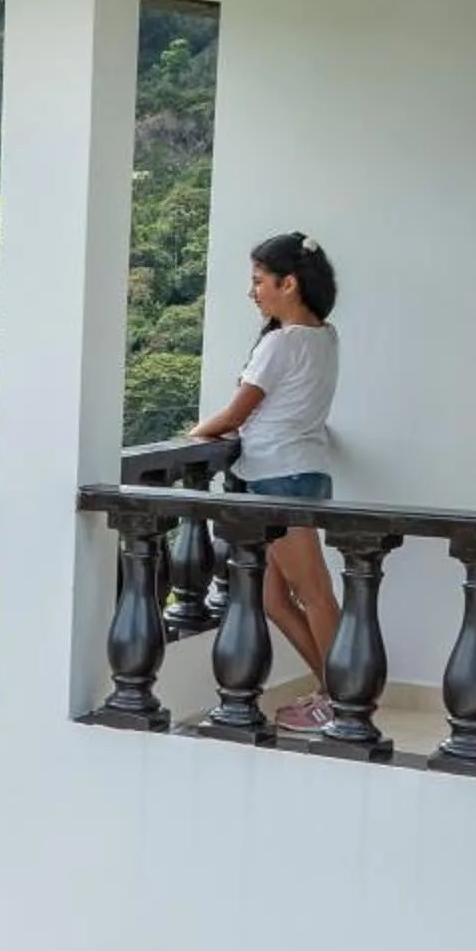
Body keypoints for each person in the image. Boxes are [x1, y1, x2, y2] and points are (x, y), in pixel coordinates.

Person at [191, 232, 343, 733]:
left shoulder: (282, 343)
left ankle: (346, 700)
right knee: (272, 598)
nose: (253, 292)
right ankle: (335, 688)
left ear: (289, 283)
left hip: (280, 478)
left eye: (258, 281)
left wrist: (197, 434)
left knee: (314, 594)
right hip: (295, 474)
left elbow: (238, 413)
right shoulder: (325, 336)